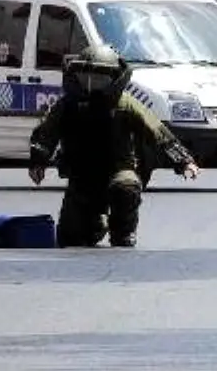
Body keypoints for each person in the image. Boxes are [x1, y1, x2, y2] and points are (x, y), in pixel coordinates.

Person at [27, 45, 199, 248]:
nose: (91, 84)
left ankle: (123, 228)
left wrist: (184, 161)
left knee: (125, 187)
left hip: (118, 170)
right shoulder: (68, 105)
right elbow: (46, 133)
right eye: (86, 77)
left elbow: (157, 132)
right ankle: (96, 223)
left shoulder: (125, 104)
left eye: (99, 78)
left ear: (114, 78)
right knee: (70, 238)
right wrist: (38, 162)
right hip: (81, 177)